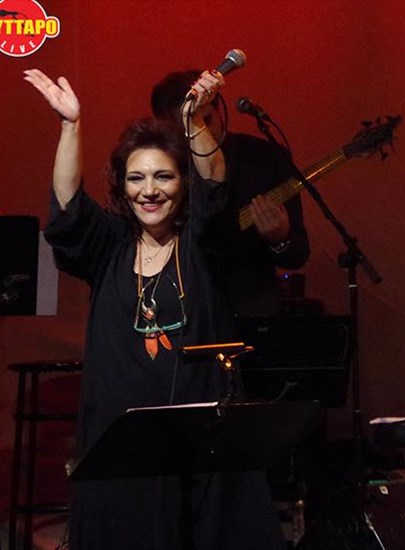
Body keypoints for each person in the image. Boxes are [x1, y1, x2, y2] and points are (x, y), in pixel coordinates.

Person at [25, 68, 285, 549]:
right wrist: (70, 126)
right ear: (122, 187)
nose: (150, 190)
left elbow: (216, 183)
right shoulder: (109, 244)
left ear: (182, 184)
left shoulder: (202, 243)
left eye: (164, 176)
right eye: (136, 178)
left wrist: (193, 120)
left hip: (204, 440)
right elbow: (67, 210)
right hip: (121, 443)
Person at [151, 70, 310, 317]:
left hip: (251, 307)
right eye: (189, 126)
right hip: (185, 307)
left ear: (218, 110)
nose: (202, 132)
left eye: (207, 120)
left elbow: (297, 254)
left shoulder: (265, 157)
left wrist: (280, 237)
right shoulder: (160, 170)